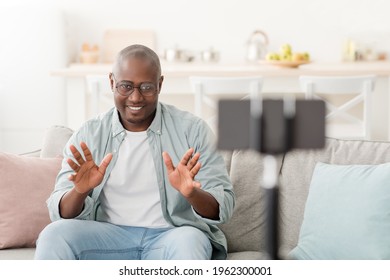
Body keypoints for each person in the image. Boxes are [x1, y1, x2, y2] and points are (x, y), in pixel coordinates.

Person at [34, 44, 235, 260]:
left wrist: (191, 194)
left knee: (191, 241)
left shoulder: (193, 131)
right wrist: (81, 191)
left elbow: (223, 205)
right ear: (112, 82)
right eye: (126, 86)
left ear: (160, 84)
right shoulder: (89, 134)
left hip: (171, 235)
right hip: (108, 237)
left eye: (146, 87)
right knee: (53, 235)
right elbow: (59, 212)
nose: (135, 98)